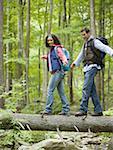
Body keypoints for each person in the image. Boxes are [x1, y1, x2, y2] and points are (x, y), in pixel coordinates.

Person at [71, 27, 113, 116]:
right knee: (92, 90)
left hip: (93, 66)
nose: (83, 36)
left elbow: (105, 48)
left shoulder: (95, 42)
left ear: (89, 33)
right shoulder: (85, 44)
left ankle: (83, 109)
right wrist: (75, 63)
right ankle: (98, 110)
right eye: (82, 35)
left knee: (86, 87)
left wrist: (112, 53)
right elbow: (81, 55)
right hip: (86, 67)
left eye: (84, 34)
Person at [41, 34, 70, 115]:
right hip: (58, 72)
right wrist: (46, 57)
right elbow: (54, 58)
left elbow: (62, 55)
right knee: (61, 92)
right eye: (48, 40)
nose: (49, 42)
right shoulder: (52, 50)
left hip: (57, 72)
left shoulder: (57, 48)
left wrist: (64, 60)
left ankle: (48, 109)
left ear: (54, 40)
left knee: (50, 90)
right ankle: (66, 109)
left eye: (51, 40)